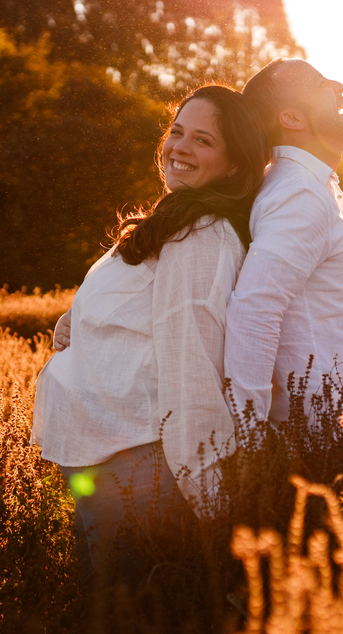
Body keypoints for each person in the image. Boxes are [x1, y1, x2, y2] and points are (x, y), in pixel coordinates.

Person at [32, 84, 269, 580]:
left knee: (129, 620)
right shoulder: (171, 223)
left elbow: (193, 368)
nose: (180, 147)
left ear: (233, 165)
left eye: (203, 140)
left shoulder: (199, 235)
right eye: (177, 132)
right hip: (107, 465)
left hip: (140, 475)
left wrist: (212, 505)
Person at [225, 59, 343, 429]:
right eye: (320, 82)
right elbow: (255, 310)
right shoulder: (299, 193)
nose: (340, 86)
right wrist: (250, 437)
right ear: (292, 119)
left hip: (323, 425)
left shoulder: (301, 185)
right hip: (319, 433)